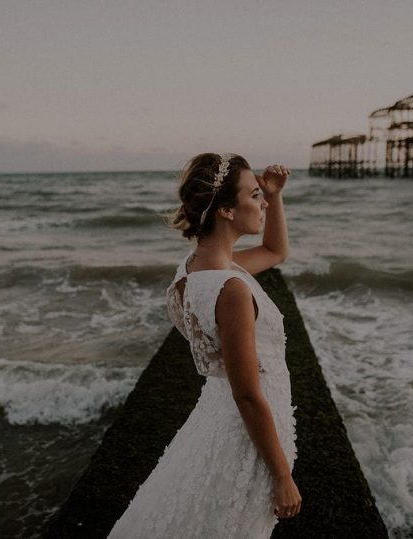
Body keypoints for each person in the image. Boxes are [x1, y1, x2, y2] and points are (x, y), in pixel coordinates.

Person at [107, 153, 301, 538]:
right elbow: (247, 394)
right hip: (245, 433)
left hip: (217, 416)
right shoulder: (229, 289)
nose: (262, 202)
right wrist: (282, 476)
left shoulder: (195, 268)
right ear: (227, 209)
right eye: (255, 195)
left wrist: (276, 197)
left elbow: (276, 251)